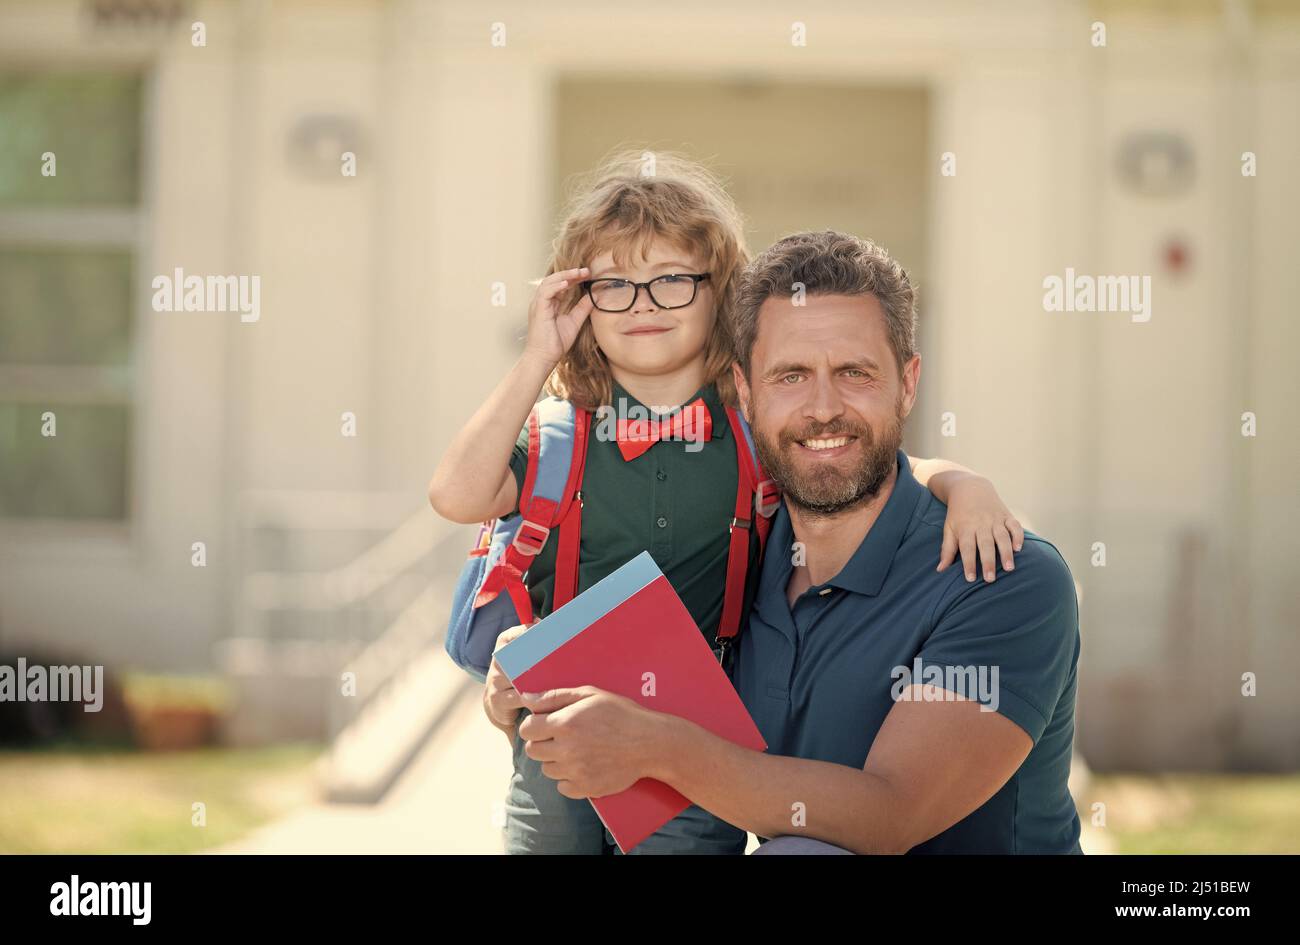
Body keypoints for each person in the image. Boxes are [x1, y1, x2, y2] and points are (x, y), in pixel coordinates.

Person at [429, 164, 1027, 854]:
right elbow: (456, 495)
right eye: (613, 285)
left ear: (722, 294)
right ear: (579, 300)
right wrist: (539, 355)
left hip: (696, 735)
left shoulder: (752, 429)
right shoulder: (556, 435)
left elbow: (867, 464)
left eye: (673, 280)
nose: (643, 303)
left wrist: (965, 483)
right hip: (558, 722)